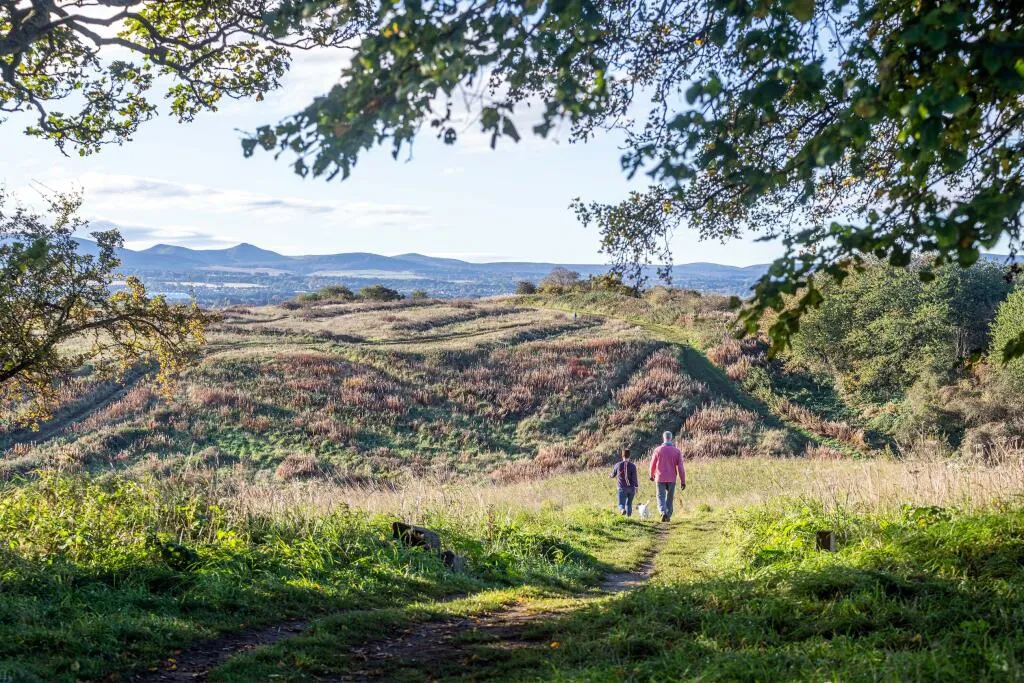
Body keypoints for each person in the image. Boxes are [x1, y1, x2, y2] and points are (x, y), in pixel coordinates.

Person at [649, 431, 685, 522]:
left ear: (663, 438)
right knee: (670, 497)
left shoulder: (657, 450)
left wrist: (651, 474)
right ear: (671, 438)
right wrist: (683, 481)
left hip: (660, 477)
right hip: (672, 478)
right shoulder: (677, 451)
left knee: (660, 496)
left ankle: (662, 512)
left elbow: (652, 464)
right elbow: (680, 467)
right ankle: (668, 515)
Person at [609, 448, 638, 516]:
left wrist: (610, 475)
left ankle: (622, 510)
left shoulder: (618, 465)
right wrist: (636, 487)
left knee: (621, 504)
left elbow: (613, 474)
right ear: (629, 456)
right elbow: (634, 478)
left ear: (622, 456)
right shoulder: (633, 466)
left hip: (622, 487)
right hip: (631, 488)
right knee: (629, 504)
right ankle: (629, 517)